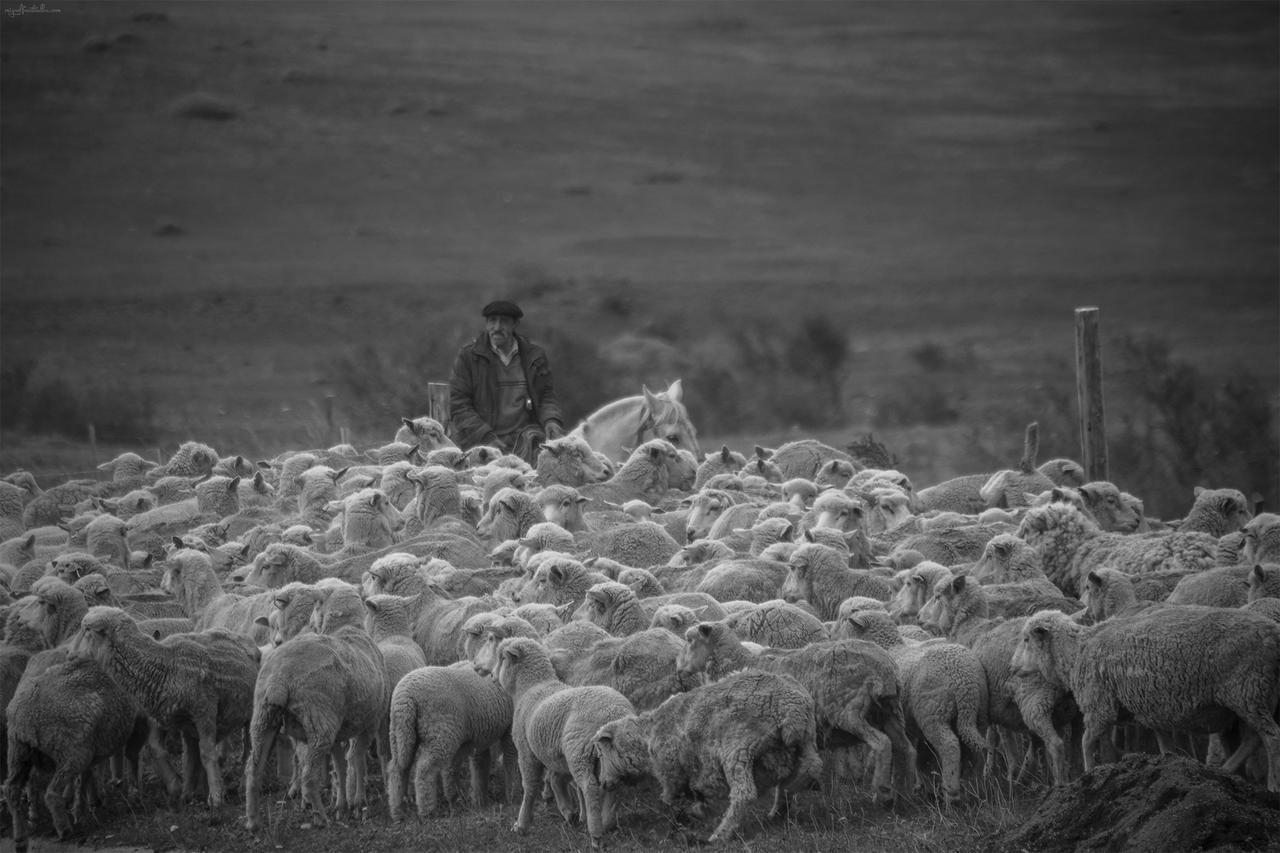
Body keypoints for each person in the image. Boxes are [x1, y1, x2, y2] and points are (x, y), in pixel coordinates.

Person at [447, 299, 565, 464]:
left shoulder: (534, 356)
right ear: (486, 324)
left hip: (526, 443)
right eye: (492, 321)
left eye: (504, 322)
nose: (497, 327)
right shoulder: (469, 357)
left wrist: (551, 421)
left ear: (515, 324)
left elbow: (546, 396)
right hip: (482, 446)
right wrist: (486, 437)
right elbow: (459, 405)